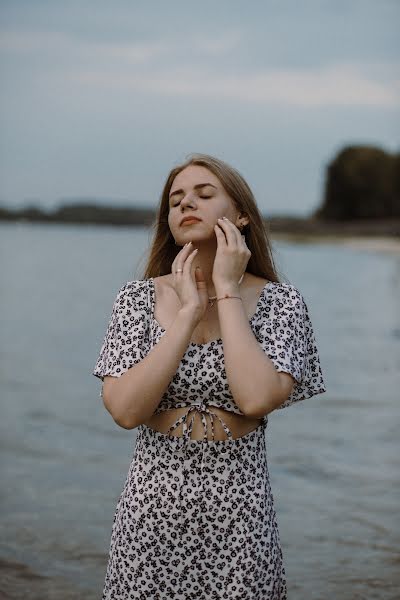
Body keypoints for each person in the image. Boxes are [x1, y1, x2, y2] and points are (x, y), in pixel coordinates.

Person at [93, 153, 326, 599]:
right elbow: (125, 410)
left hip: (240, 513)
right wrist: (189, 313)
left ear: (240, 215)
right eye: (175, 199)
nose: (185, 205)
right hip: (151, 511)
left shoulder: (283, 303)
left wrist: (226, 291)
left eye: (203, 194)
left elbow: (256, 398)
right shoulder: (135, 300)